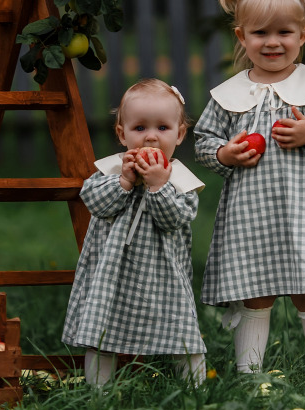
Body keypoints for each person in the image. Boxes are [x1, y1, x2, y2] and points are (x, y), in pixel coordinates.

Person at [194, 0, 305, 392]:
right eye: (260, 32)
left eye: (284, 32)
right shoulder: (228, 95)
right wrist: (224, 153)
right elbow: (203, 141)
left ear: (302, 35)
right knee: (254, 293)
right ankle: (250, 378)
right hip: (251, 218)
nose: (272, 42)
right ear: (241, 35)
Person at [63, 78, 207, 387]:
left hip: (163, 275)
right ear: (122, 134)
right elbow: (96, 203)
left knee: (182, 328)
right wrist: (125, 181)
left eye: (163, 128)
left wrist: (157, 185)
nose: (151, 138)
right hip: (113, 274)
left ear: (180, 134)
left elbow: (174, 218)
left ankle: (194, 388)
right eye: (140, 128)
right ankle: (96, 392)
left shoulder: (181, 181)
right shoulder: (110, 172)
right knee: (103, 330)